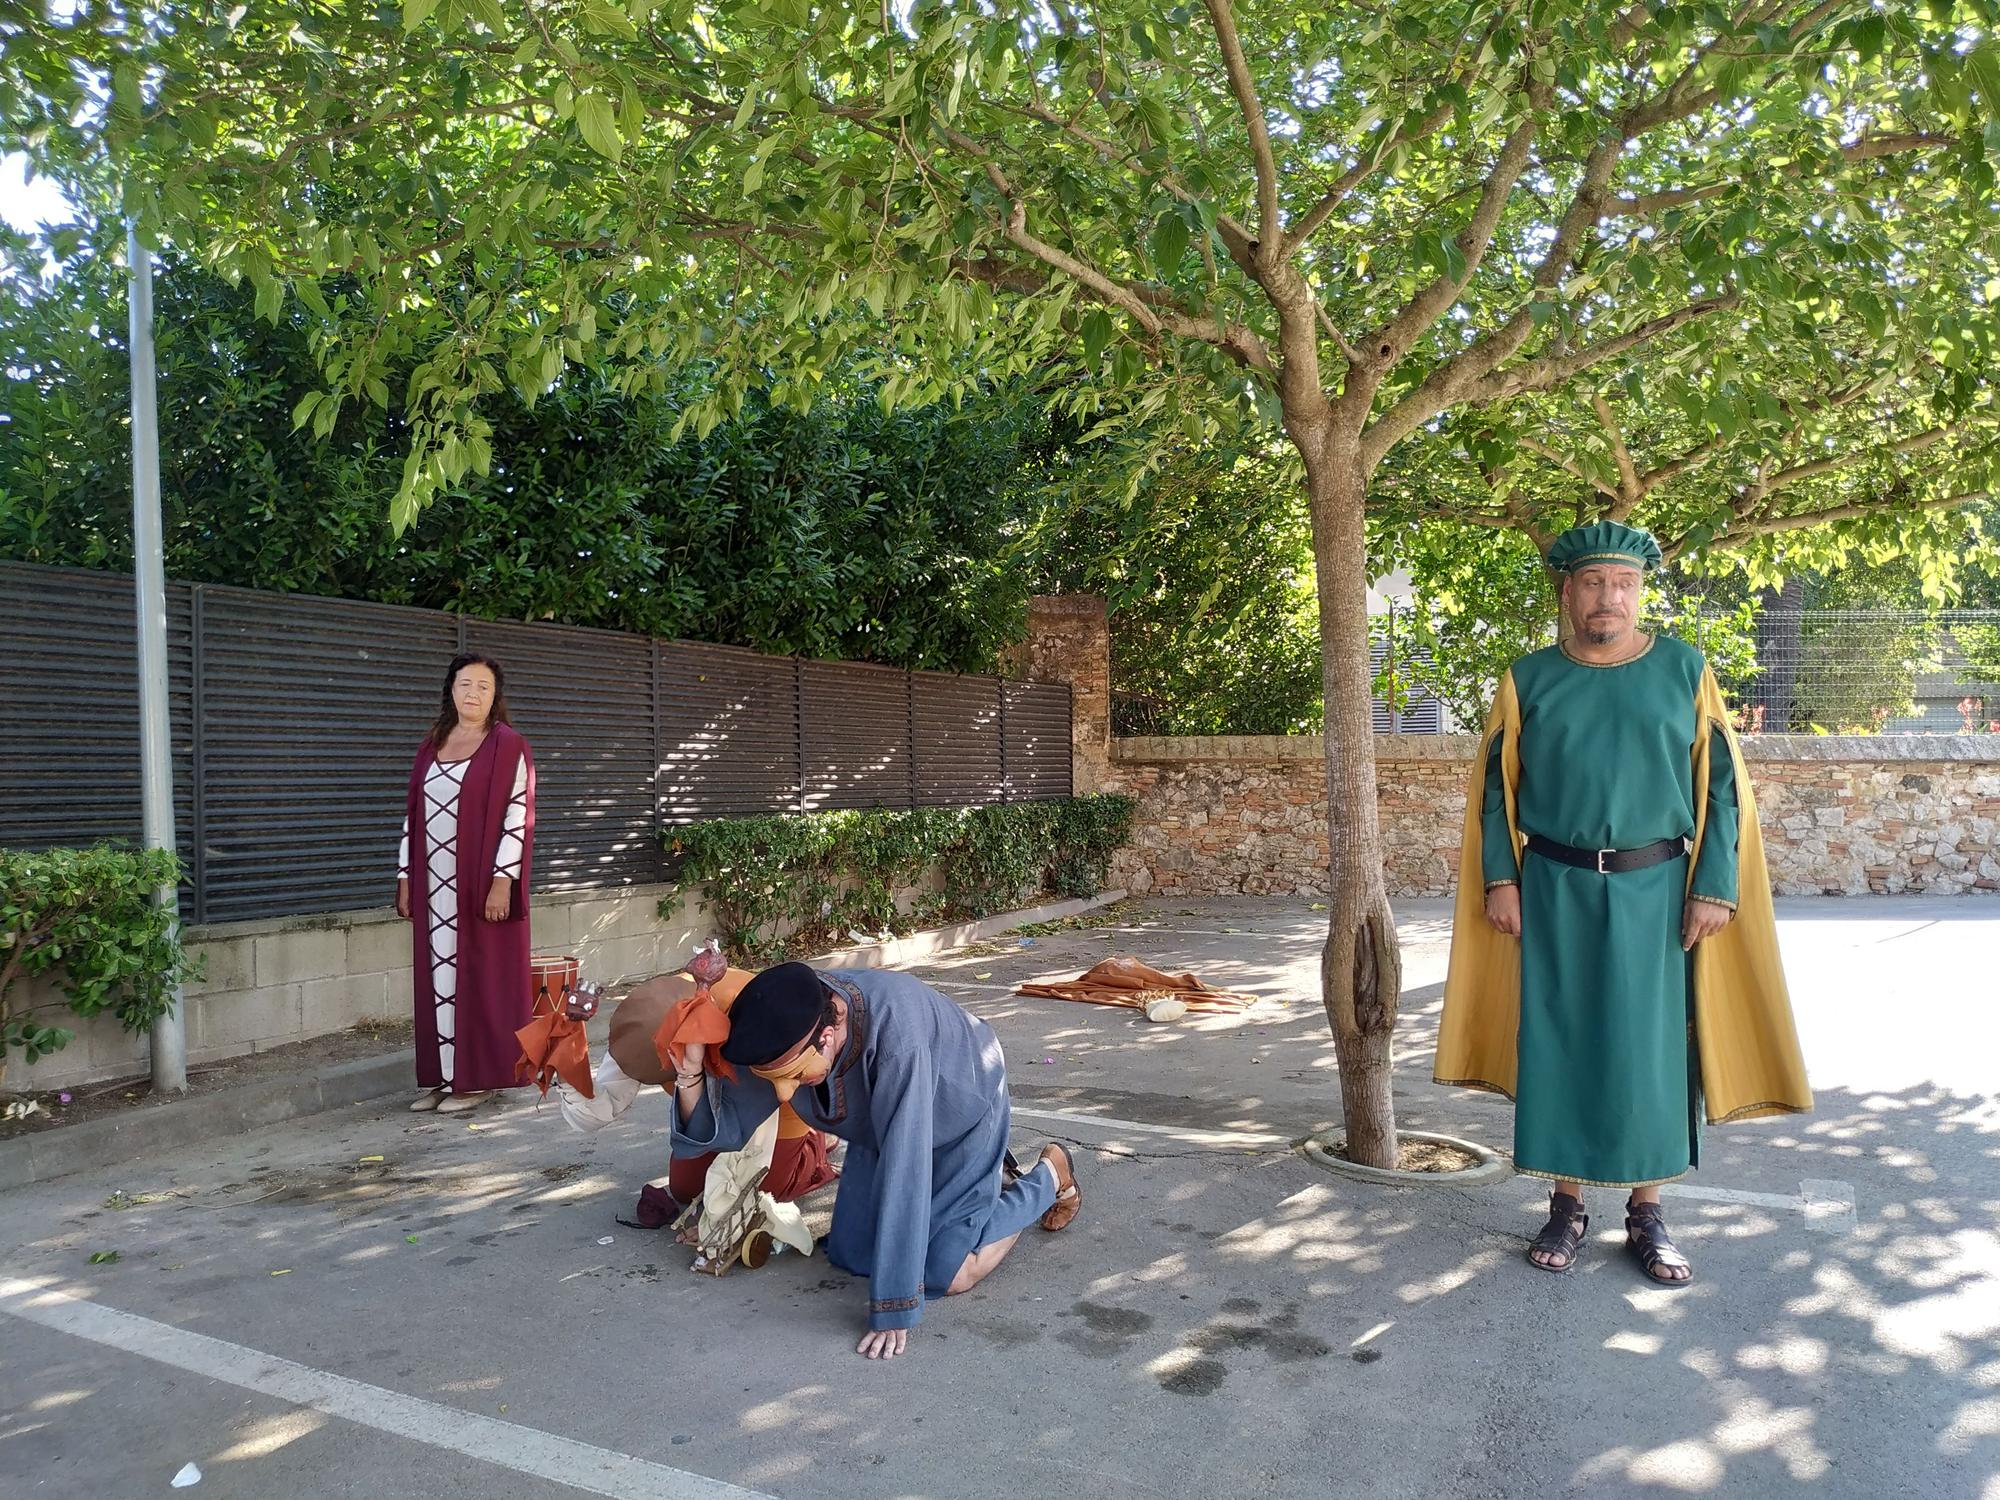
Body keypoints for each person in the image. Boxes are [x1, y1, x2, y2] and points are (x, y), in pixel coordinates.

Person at [1436, 521, 1810, 1287]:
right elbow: (1495, 791)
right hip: (1556, 888)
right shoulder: (1528, 678)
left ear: (1640, 592)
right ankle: (1566, 1205)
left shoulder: (1683, 669)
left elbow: (1723, 788)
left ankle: (1648, 1210)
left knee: (1653, 1050)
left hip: (1657, 890)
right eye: (1594, 584)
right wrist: (1501, 878)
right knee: (1560, 1041)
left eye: (1624, 585)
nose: (1610, 598)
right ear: (1568, 592)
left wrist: (1713, 886)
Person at [673, 962, 1081, 1360]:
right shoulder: (785, 1018)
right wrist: (690, 1076)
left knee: (944, 1273)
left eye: (795, 1075)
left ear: (828, 1035)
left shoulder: (898, 1041)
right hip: (878, 1126)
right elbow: (726, 1126)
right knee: (853, 1255)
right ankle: (987, 1184)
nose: (784, 1095)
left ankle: (1049, 1176)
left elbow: (907, 1171)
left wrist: (894, 1306)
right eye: (774, 1079)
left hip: (961, 1109)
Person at [396, 653, 535, 1115]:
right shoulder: (430, 744)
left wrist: (503, 882)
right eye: (464, 684)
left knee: (480, 980)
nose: (472, 693)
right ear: (450, 691)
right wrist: (405, 878)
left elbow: (519, 815)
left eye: (483, 686)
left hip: (480, 886)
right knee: (439, 980)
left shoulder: (508, 744)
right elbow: (412, 817)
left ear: (496, 696)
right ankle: (444, 1076)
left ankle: (478, 1080)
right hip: (434, 887)